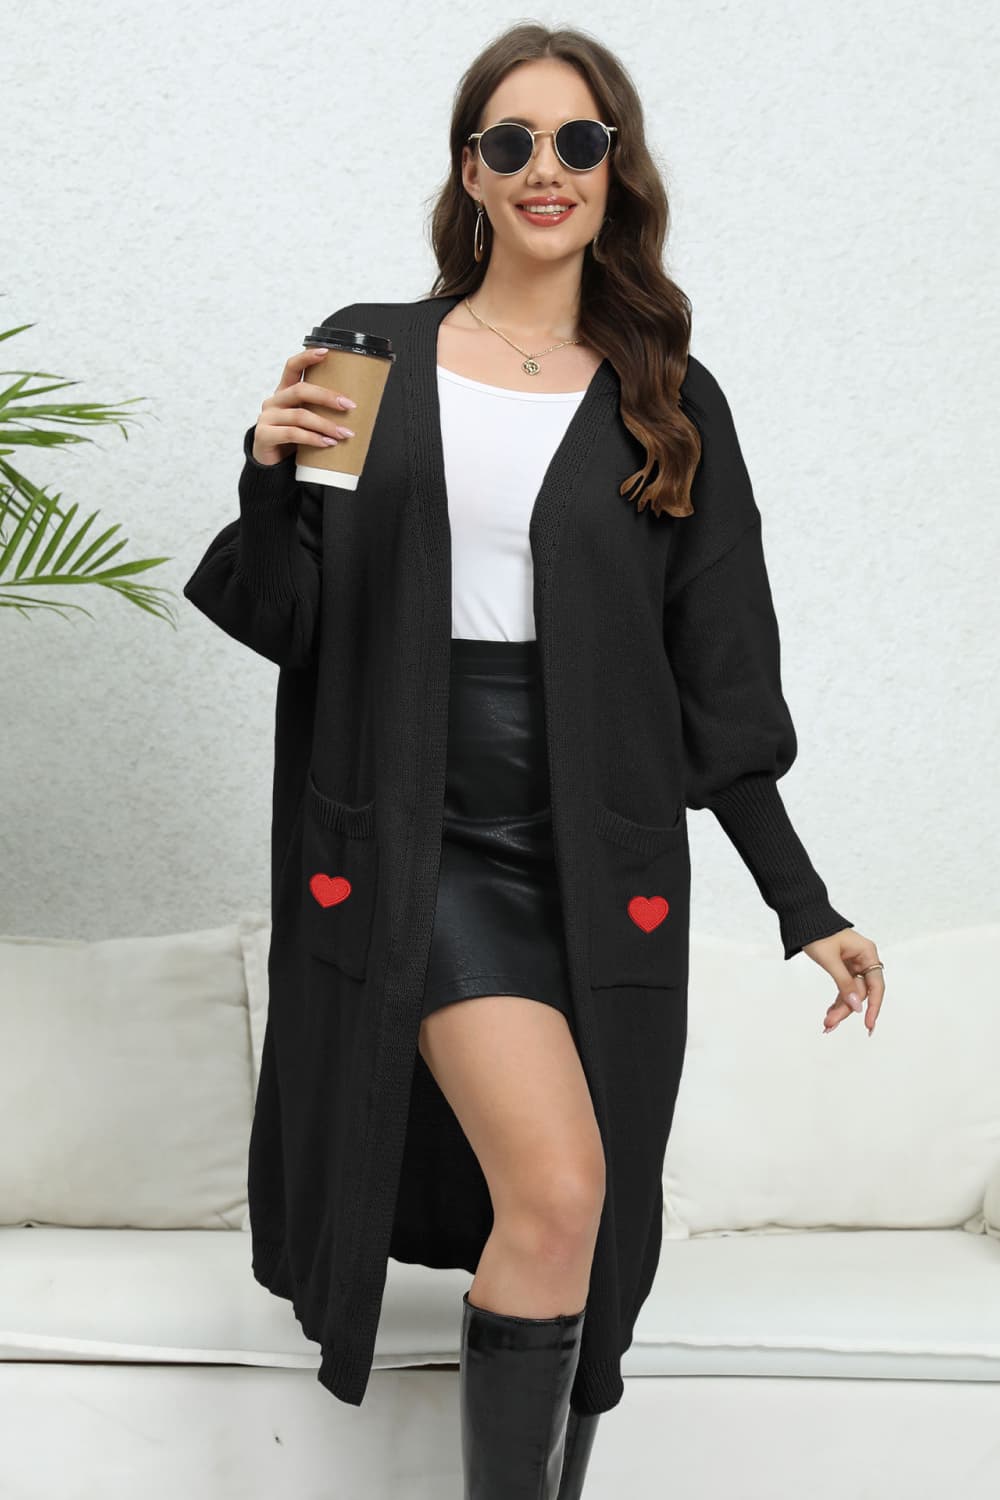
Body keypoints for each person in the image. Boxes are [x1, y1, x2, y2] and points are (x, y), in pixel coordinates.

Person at [184, 22, 885, 1500]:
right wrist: (265, 471)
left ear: (616, 168)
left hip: (597, 849)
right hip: (414, 834)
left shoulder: (666, 397)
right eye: (512, 141)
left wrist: (801, 899)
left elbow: (716, 675)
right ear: (471, 171)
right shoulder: (372, 352)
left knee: (581, 1218)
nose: (545, 167)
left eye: (579, 140)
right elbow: (289, 618)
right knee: (562, 1187)